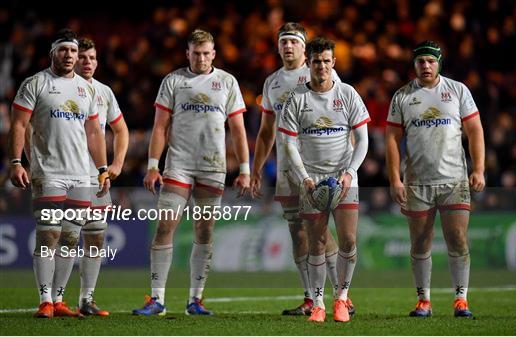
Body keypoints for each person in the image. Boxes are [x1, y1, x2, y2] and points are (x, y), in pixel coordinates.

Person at [133, 29, 250, 316]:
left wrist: (245, 169)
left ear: (213, 54)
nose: (200, 58)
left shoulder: (227, 82)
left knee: (205, 230)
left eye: (205, 53)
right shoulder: (173, 81)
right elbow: (160, 127)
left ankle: (195, 300)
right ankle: (156, 300)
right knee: (165, 226)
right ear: (188, 53)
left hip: (213, 166)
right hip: (179, 165)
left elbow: (237, 130)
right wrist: (152, 166)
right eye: (195, 53)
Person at [250, 22, 355, 316]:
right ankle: (310, 297)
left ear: (304, 48)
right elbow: (266, 130)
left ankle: (340, 295)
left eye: (293, 42)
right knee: (297, 231)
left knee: (320, 232)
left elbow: (338, 115)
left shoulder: (321, 72)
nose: (287, 47)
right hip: (287, 166)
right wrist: (256, 168)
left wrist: (344, 162)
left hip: (320, 166)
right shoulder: (272, 83)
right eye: (283, 41)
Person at [8, 28, 110, 318]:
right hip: (49, 171)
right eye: (63, 50)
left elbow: (94, 131)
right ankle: (44, 300)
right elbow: (18, 125)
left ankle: (60, 300)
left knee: (70, 238)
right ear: (52, 53)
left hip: (82, 175)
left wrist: (102, 169)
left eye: (73, 51)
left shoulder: (87, 89)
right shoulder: (36, 83)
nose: (69, 55)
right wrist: (16, 161)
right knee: (49, 235)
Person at [385, 41, 485, 318]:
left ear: (439, 63)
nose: (425, 66)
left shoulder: (457, 90)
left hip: (454, 179)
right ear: (414, 65)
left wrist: (479, 169)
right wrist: (395, 178)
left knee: (457, 239)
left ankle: (461, 300)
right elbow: (392, 140)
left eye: (430, 61)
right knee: (419, 242)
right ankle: (424, 301)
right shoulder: (403, 96)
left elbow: (475, 130)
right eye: (420, 61)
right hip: (417, 182)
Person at [278, 37, 370, 323]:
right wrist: (303, 177)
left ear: (333, 63)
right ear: (309, 64)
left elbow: (363, 140)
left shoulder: (348, 94)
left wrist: (350, 172)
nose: (322, 66)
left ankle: (341, 299)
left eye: (327, 61)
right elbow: (289, 143)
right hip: (312, 182)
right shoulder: (297, 97)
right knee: (316, 242)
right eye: (317, 61)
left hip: (344, 180)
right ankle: (318, 304)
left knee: (348, 239)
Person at [73, 37, 129, 316]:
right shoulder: (60, 87)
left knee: (95, 237)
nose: (87, 62)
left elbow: (121, 129)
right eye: (83, 57)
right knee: (61, 237)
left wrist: (116, 163)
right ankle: (50, 299)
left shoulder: (104, 92)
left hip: (96, 176)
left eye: (92, 58)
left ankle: (86, 299)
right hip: (65, 175)